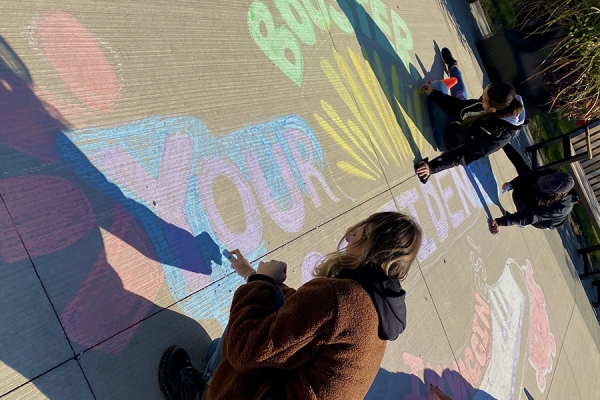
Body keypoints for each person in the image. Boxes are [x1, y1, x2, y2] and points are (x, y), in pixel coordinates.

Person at [158, 212, 422, 400]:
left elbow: (246, 348)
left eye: (358, 234)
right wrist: (253, 275)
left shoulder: (341, 297)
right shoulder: (376, 307)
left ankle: (202, 393)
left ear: (369, 247)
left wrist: (260, 282)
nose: (350, 238)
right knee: (222, 345)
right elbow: (302, 314)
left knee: (243, 330)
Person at [415, 48, 526, 183]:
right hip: (461, 120)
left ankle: (447, 82)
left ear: (493, 109)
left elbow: (463, 155)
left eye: (483, 99)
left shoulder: (498, 137)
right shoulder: (502, 102)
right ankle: (453, 66)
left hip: (448, 138)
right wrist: (434, 94)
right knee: (456, 97)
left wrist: (431, 167)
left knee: (438, 85)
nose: (480, 99)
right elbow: (460, 106)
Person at [489, 169, 579, 234]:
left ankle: (522, 224)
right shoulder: (551, 174)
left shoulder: (559, 208)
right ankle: (520, 218)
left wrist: (500, 221)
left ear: (554, 194)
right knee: (520, 190)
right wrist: (512, 184)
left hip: (544, 221)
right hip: (544, 202)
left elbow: (531, 215)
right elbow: (529, 176)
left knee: (519, 196)